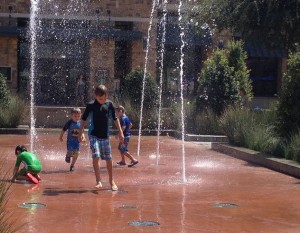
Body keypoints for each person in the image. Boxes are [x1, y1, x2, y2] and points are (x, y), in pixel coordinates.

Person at [78, 84, 124, 191]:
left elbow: (115, 118)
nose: (102, 101)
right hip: (93, 134)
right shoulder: (91, 105)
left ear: (107, 96)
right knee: (96, 155)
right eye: (99, 99)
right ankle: (98, 181)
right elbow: (83, 119)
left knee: (108, 158)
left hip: (105, 136)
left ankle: (111, 180)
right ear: (95, 95)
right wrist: (80, 133)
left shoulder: (109, 104)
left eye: (104, 98)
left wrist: (120, 132)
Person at [59, 108, 86, 172]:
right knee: (70, 151)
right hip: (70, 141)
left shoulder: (80, 123)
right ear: (71, 115)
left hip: (77, 141)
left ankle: (72, 165)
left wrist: (84, 138)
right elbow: (64, 129)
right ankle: (68, 155)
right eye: (75, 116)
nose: (77, 118)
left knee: (76, 154)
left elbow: (82, 132)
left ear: (80, 115)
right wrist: (61, 136)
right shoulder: (69, 122)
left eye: (78, 116)